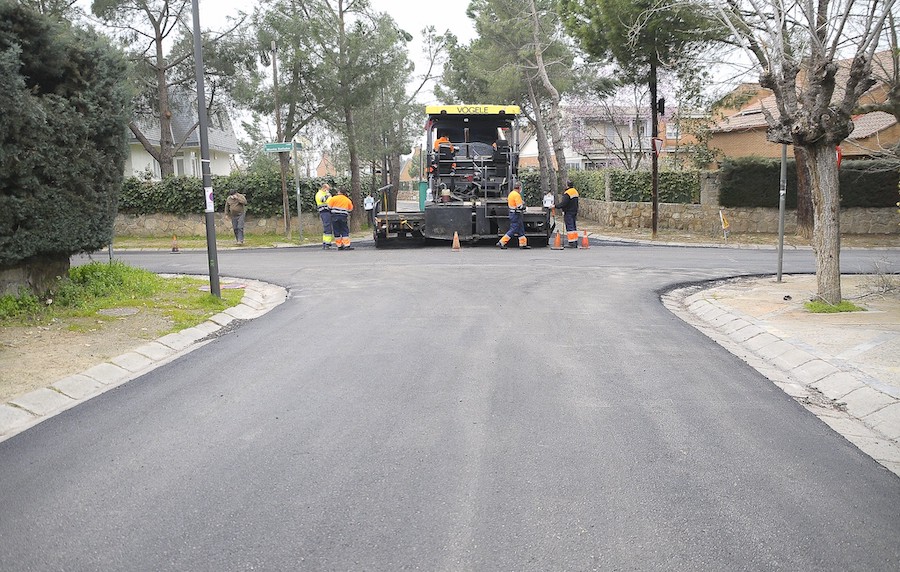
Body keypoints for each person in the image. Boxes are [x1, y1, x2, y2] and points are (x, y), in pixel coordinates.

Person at [497, 181, 530, 250]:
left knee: (521, 229)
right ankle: (502, 242)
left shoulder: (511, 193)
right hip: (516, 214)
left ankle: (523, 244)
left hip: (513, 213)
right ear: (519, 187)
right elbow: (519, 206)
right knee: (513, 229)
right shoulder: (517, 195)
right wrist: (525, 207)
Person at [558, 179, 580, 248]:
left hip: (568, 212)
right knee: (573, 227)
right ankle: (575, 242)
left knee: (570, 227)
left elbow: (563, 203)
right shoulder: (575, 191)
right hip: (574, 211)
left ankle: (571, 242)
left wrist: (555, 206)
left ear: (567, 185)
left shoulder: (567, 193)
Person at [315, 183, 334, 249]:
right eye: (327, 189)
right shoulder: (319, 194)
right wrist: (327, 195)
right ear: (324, 188)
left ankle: (326, 242)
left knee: (328, 227)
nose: (328, 190)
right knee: (327, 227)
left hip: (329, 212)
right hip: (324, 212)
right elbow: (322, 200)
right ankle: (326, 243)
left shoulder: (325, 194)